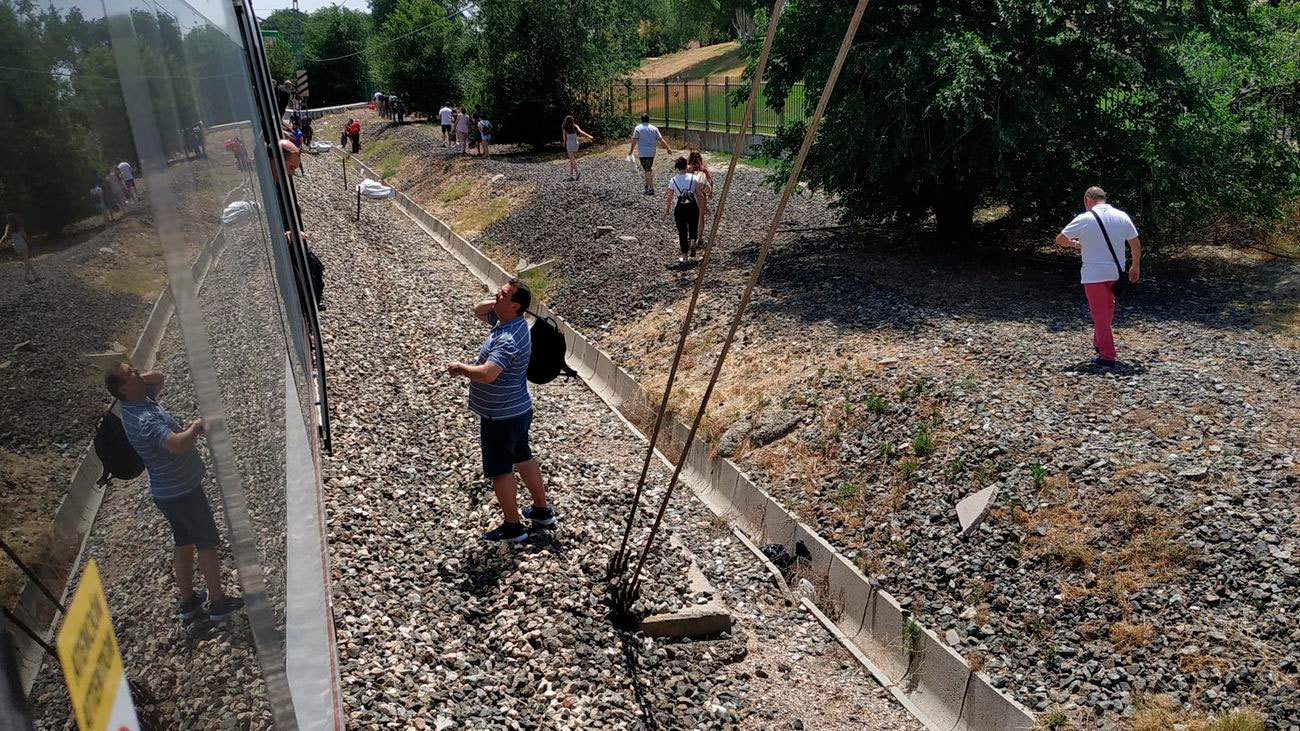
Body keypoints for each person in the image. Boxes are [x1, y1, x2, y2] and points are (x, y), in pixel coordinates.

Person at [103, 364, 245, 622]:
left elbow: (159, 378)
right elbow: (175, 445)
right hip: (182, 492)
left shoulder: (139, 401)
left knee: (183, 542)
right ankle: (218, 603)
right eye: (131, 373)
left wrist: (136, 380)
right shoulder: (143, 419)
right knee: (206, 541)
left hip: (169, 491)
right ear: (123, 388)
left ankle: (189, 601)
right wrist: (194, 428)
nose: (137, 371)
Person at [447, 280, 555, 542]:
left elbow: (488, 374)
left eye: (503, 294)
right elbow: (478, 310)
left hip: (501, 416)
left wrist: (460, 368)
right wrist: (498, 300)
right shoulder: (510, 321)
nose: (497, 294)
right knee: (523, 457)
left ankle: (513, 527)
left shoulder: (508, 338)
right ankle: (542, 511)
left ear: (516, 305)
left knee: (500, 470)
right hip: (518, 409)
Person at [1055, 186, 1142, 367]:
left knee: (1100, 314)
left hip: (1093, 274)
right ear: (1104, 198)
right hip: (1116, 272)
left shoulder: (1084, 219)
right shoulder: (1121, 216)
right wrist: (1135, 266)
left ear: (1088, 200)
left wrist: (1075, 245)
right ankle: (1099, 341)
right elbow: (1135, 243)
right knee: (1108, 308)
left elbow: (1060, 240)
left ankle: (1107, 355)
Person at [663, 157, 702, 264]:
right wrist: (702, 207)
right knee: (693, 225)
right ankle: (693, 241)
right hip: (693, 206)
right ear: (686, 166)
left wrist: (667, 210)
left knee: (682, 231)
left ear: (677, 168)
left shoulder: (673, 180)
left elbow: (670, 197)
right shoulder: (694, 178)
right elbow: (698, 194)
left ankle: (684, 257)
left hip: (680, 208)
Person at [629, 114, 671, 195]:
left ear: (641, 119)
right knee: (647, 169)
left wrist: (631, 151)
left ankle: (651, 188)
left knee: (648, 170)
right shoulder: (654, 128)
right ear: (649, 119)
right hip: (652, 153)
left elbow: (634, 140)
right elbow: (660, 140)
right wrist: (668, 148)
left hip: (643, 153)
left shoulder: (638, 128)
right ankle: (646, 186)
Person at [1, 214, 39, 283]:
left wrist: (0, 241)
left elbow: (5, 236)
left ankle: (35, 275)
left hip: (16, 245)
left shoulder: (8, 226)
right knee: (26, 261)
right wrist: (29, 244)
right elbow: (24, 236)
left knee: (26, 261)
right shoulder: (19, 225)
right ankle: (26, 277)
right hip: (22, 243)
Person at [687, 150, 714, 240]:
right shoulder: (703, 169)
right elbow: (710, 181)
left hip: (689, 195)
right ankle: (700, 238)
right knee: (700, 216)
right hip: (701, 196)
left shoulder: (687, 169)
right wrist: (710, 192)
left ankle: (691, 237)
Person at [561, 115, 594, 181]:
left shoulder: (564, 127)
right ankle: (571, 175)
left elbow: (564, 137)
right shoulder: (575, 126)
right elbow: (581, 132)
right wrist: (589, 136)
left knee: (572, 160)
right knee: (572, 160)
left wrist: (564, 143)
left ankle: (577, 171)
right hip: (576, 144)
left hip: (569, 145)